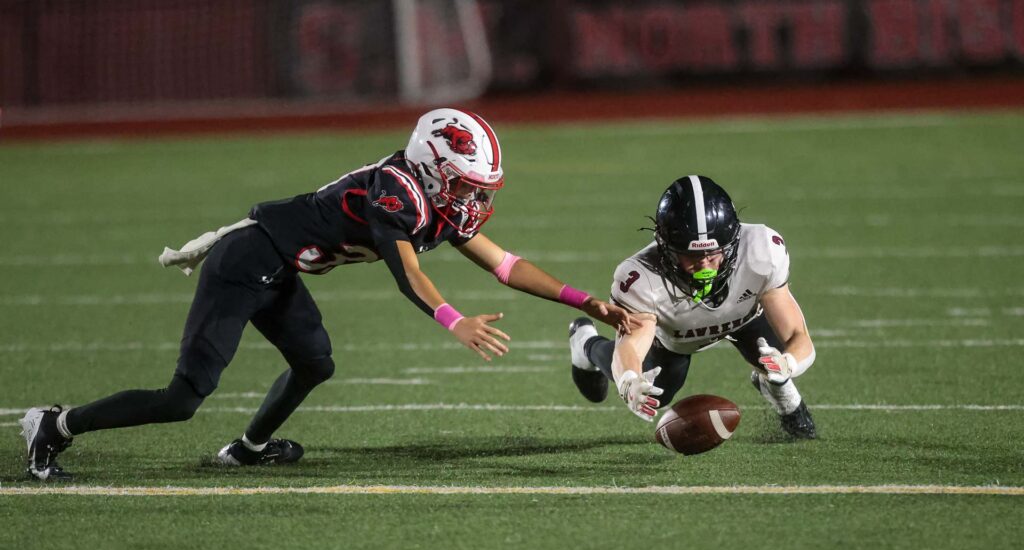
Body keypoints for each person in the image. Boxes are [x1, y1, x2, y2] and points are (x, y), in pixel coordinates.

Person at [19, 108, 635, 480]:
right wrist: (454, 321)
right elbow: (407, 274)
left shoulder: (435, 199)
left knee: (315, 363)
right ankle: (55, 424)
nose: (473, 197)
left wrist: (584, 301)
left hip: (279, 267)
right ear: (432, 167)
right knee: (183, 398)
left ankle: (249, 450)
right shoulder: (397, 190)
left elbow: (505, 264)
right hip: (246, 263)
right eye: (466, 183)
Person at [567, 175, 817, 439]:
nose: (705, 265)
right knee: (656, 392)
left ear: (733, 241)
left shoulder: (761, 250)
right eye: (692, 255)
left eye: (713, 253)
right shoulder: (643, 278)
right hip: (677, 337)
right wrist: (629, 379)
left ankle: (787, 399)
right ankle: (587, 345)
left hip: (746, 318)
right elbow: (630, 346)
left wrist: (787, 364)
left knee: (774, 358)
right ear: (667, 249)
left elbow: (799, 338)